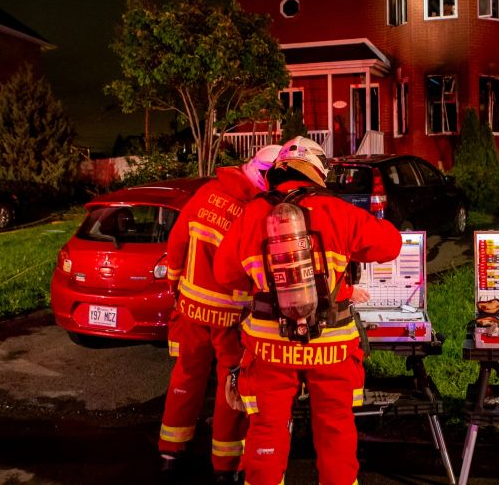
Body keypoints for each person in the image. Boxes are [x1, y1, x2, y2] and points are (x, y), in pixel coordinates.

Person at [214, 136, 402, 485]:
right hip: (332, 346)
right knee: (336, 429)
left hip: (269, 347)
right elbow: (390, 244)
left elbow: (224, 274)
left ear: (278, 171)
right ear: (317, 171)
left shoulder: (252, 213)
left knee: (266, 431)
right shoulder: (338, 210)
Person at [158, 144, 282, 483]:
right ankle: (224, 467)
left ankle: (170, 453)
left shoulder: (207, 193)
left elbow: (177, 242)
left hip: (192, 309)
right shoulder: (256, 210)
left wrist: (175, 284)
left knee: (185, 377)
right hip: (232, 316)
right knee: (233, 386)